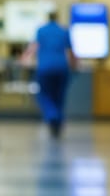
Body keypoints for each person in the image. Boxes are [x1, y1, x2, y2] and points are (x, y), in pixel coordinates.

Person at [22, 11, 76, 139]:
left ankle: (52, 116)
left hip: (45, 68)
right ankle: (58, 120)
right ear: (57, 18)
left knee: (44, 94)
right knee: (59, 96)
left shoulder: (41, 31)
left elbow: (33, 47)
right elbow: (71, 52)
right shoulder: (64, 30)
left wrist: (25, 58)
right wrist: (74, 65)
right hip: (62, 68)